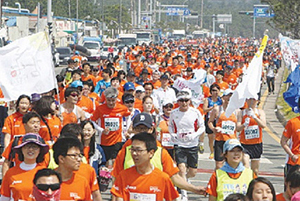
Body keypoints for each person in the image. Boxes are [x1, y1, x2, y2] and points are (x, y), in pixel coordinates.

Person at [111, 132, 180, 201]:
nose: (134, 153)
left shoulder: (163, 178)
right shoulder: (123, 176)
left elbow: (172, 198)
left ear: (151, 153)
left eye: (139, 150)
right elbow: (118, 198)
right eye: (132, 150)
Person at [169, 88, 205, 201]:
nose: (184, 103)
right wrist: (173, 134)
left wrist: (194, 135)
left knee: (192, 172)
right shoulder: (174, 113)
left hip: (192, 144)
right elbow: (170, 125)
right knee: (181, 168)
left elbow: (202, 127)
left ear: (189, 101)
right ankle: (183, 193)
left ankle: (184, 180)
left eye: (186, 100)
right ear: (178, 101)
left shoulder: (195, 112)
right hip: (180, 144)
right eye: (181, 100)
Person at [0, 133, 49, 201]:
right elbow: (4, 198)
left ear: (39, 151)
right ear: (21, 149)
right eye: (27, 146)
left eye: (34, 147)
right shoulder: (10, 173)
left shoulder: (45, 173)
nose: (31, 149)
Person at [91, 87, 130, 167]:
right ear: (105, 99)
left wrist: (126, 129)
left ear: (116, 99)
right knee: (106, 162)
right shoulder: (100, 109)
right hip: (104, 141)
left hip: (117, 139)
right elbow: (92, 121)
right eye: (109, 100)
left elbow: (128, 117)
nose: (111, 103)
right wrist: (101, 130)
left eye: (113, 100)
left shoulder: (122, 108)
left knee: (114, 161)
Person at [208, 89, 238, 169]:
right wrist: (214, 129)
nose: (229, 98)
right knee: (219, 165)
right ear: (223, 97)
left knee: (231, 165)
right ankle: (217, 180)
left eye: (231, 96)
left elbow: (238, 127)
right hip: (220, 140)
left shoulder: (237, 111)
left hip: (231, 141)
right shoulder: (217, 109)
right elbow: (210, 122)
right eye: (228, 95)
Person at [237, 98, 266, 176]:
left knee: (255, 170)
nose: (251, 102)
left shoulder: (260, 112)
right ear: (246, 101)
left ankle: (254, 185)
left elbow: (263, 125)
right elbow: (237, 128)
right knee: (246, 165)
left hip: (256, 144)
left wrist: (254, 117)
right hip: (244, 144)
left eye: (254, 100)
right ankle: (247, 184)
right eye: (249, 99)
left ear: (257, 101)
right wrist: (244, 124)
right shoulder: (241, 112)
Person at [280, 97, 300, 177]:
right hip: (294, 163)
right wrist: (292, 155)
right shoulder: (293, 123)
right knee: (292, 188)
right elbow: (283, 141)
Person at [203, 84, 223, 159]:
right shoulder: (208, 100)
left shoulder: (221, 100)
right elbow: (204, 110)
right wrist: (212, 108)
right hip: (209, 119)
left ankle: (219, 151)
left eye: (217, 90)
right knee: (210, 136)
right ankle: (212, 152)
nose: (215, 92)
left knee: (218, 136)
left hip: (218, 120)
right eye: (213, 90)